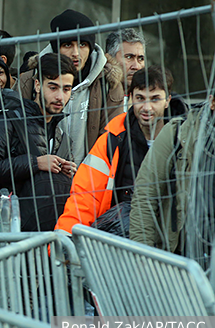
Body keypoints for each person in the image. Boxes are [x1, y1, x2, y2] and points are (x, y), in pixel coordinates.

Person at [55, 65, 173, 234]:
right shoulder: (112, 141)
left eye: (155, 99)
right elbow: (85, 196)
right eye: (140, 98)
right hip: (121, 237)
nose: (147, 108)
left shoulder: (186, 139)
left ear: (168, 100)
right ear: (130, 98)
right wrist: (65, 241)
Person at [0, 53, 77, 234]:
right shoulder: (9, 119)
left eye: (66, 89)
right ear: (37, 85)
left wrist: (67, 174)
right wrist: (36, 163)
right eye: (53, 87)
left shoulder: (61, 135)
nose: (60, 96)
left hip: (40, 232)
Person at [16, 9, 124, 165]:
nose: (76, 53)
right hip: (39, 179)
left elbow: (110, 140)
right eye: (67, 44)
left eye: (82, 44)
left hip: (88, 182)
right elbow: (14, 134)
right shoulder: (30, 80)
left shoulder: (108, 84)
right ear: (55, 47)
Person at [129, 87, 215, 254]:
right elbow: (145, 195)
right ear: (212, 102)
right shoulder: (178, 132)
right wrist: (142, 255)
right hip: (181, 251)